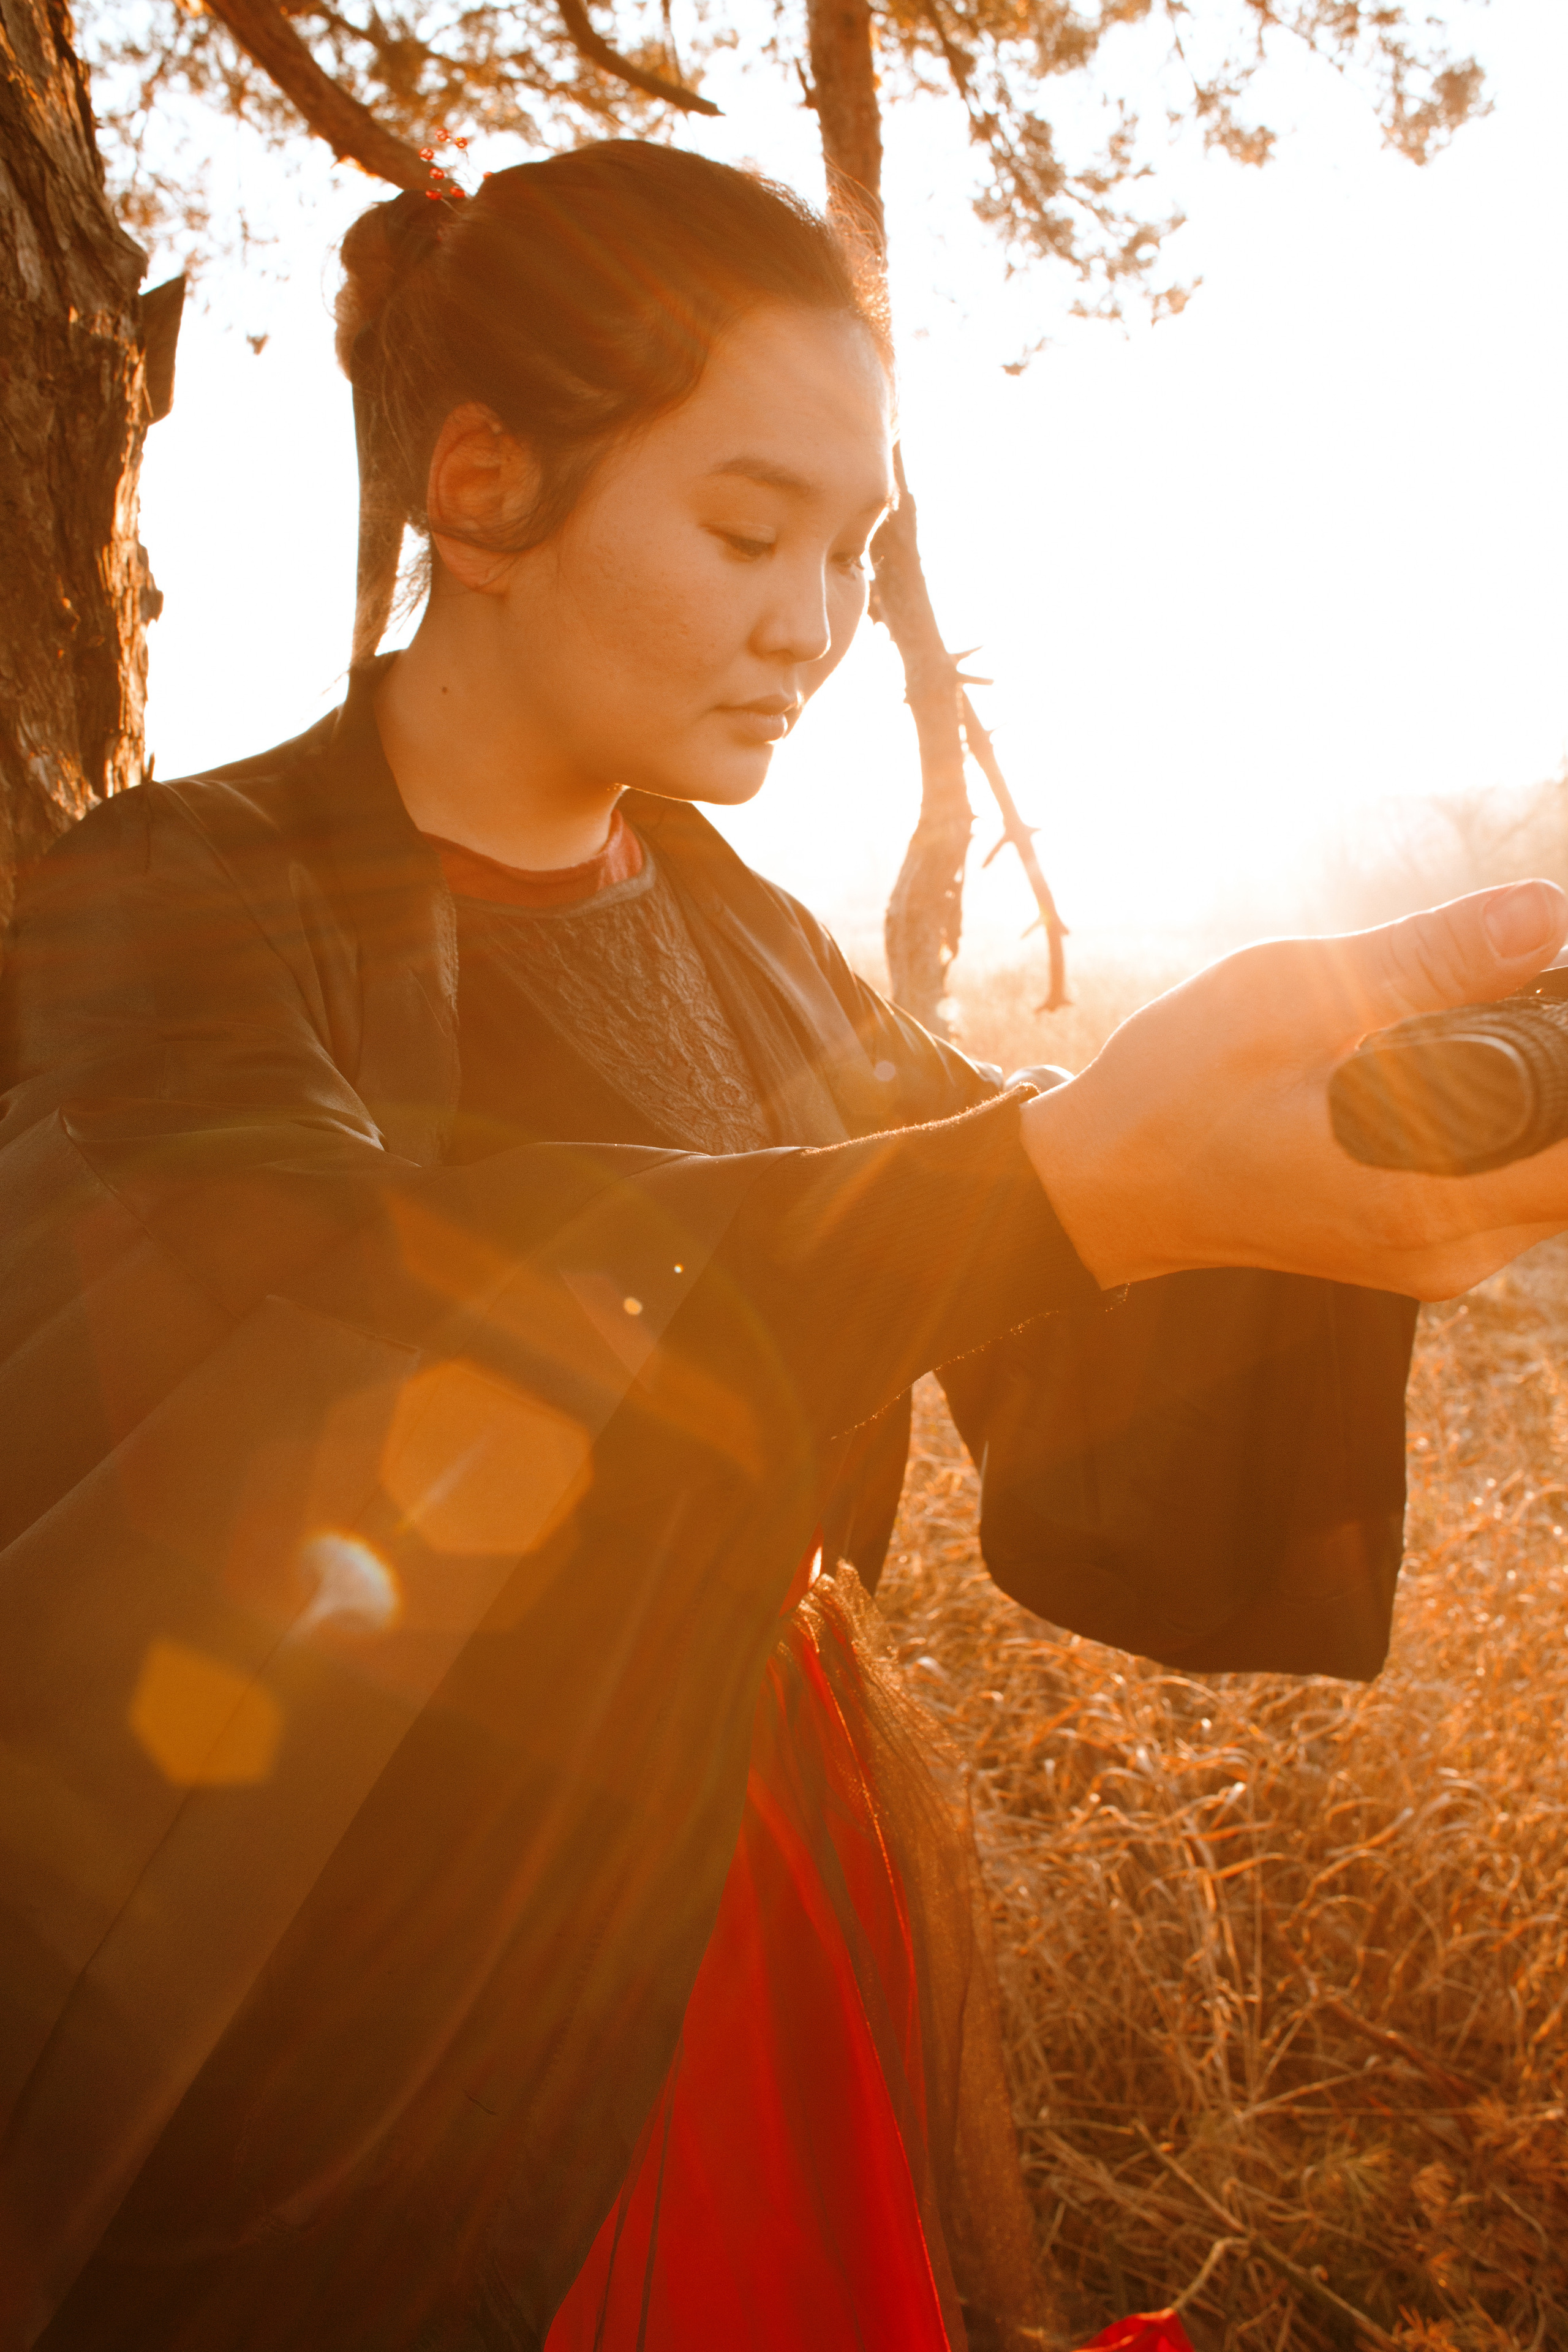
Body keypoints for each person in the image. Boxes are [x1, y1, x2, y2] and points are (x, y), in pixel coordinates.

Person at [1, 141, 1565, 2352]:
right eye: (749, 531)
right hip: (339, 1941)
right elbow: (335, 1307)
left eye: (856, 551)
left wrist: (1323, 1159)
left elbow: (999, 1251)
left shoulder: (746, 938)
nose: (820, 627)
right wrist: (1061, 1185)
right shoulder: (175, 898)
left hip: (745, 1877)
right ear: (481, 485)